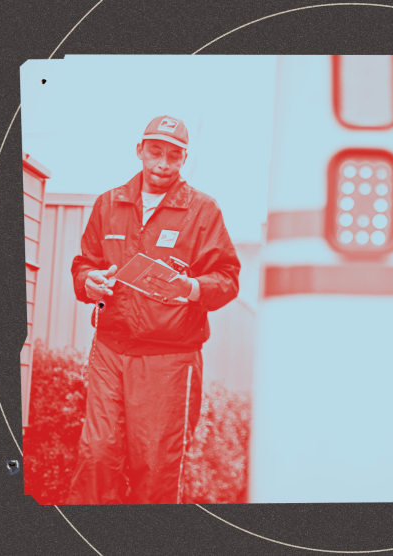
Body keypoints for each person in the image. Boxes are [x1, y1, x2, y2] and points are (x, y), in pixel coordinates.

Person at [66, 115, 240, 504]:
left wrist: (192, 288)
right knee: (96, 458)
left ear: (184, 160)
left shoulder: (202, 210)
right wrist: (87, 281)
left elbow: (228, 279)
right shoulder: (108, 204)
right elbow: (84, 263)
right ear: (140, 150)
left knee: (155, 472)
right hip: (110, 350)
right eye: (156, 152)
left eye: (173, 156)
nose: (163, 164)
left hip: (170, 360)